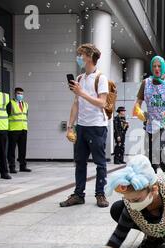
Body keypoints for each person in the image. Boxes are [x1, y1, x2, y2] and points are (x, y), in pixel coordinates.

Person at [60, 43, 110, 208]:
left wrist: (82, 93)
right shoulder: (80, 78)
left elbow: (102, 103)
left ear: (89, 57)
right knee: (80, 162)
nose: (79, 58)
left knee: (100, 163)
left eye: (81, 55)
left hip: (97, 127)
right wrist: (70, 126)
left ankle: (100, 194)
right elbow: (76, 103)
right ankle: (78, 194)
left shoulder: (100, 78)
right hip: (81, 126)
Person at [7, 87, 31, 173]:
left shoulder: (26, 104)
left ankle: (22, 166)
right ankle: (12, 167)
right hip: (13, 129)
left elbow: (25, 116)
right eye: (18, 94)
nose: (20, 95)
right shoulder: (10, 103)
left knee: (22, 149)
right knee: (12, 149)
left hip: (23, 129)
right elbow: (7, 115)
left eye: (21, 94)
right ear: (15, 94)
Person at [0, 79, 11, 180]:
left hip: (1, 127)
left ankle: (4, 172)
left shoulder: (5, 96)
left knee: (2, 152)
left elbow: (9, 111)